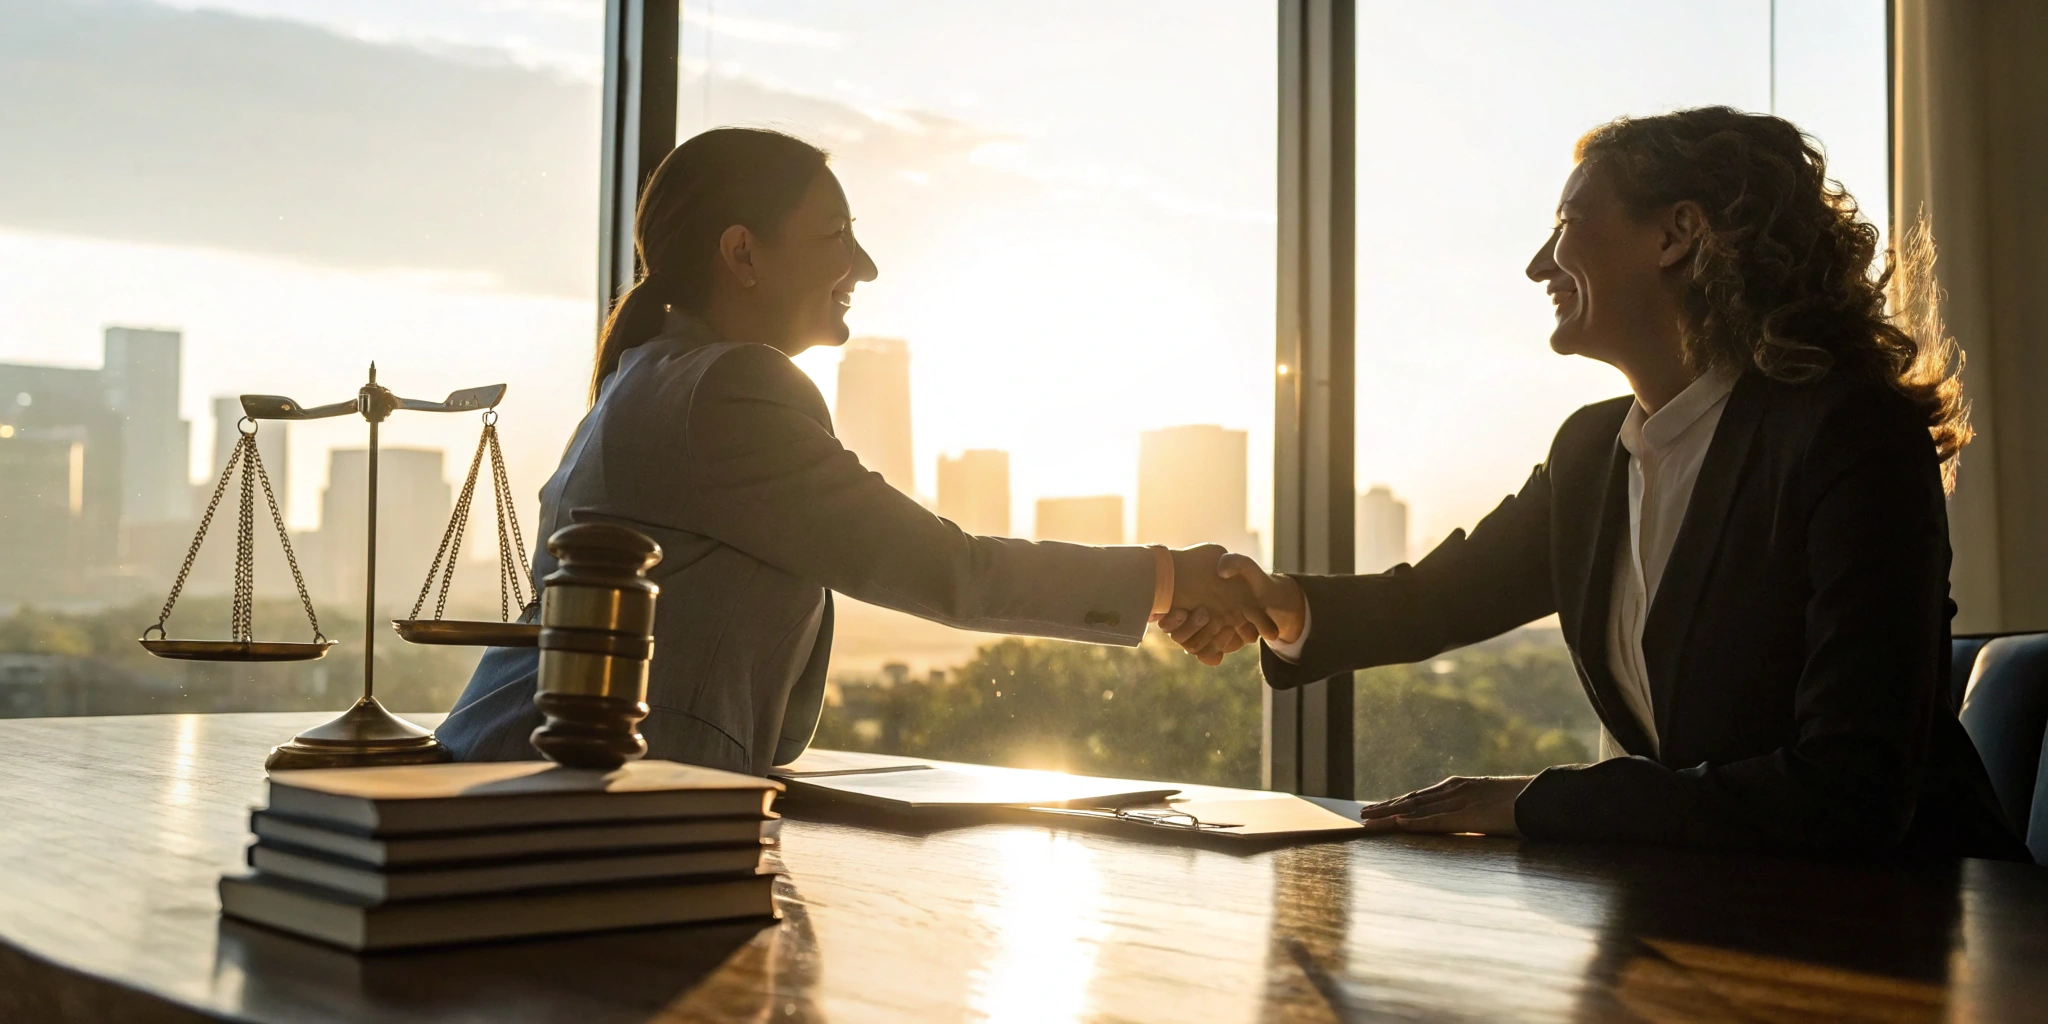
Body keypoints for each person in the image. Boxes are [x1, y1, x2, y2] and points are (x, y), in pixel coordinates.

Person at [1165, 107, 2026, 860]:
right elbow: (1436, 598)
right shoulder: (1590, 453)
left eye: (1568, 221)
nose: (1541, 264)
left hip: (1927, 921)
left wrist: (1534, 802)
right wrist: (1277, 604)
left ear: (1675, 233)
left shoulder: (1850, 436)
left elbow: (1852, 790)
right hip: (1712, 906)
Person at [439, 127, 1268, 775]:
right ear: (742, 255)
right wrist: (1167, 579)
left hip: (528, 780)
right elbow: (951, 569)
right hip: (569, 806)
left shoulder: (645, 376)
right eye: (836, 234)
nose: (864, 266)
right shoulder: (730, 392)